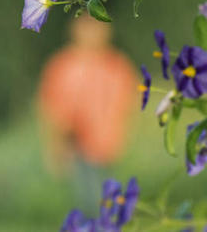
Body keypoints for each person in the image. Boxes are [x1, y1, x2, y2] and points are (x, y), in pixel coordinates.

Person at [37, 15, 137, 173]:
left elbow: (128, 105)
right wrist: (56, 148)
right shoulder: (63, 66)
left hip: (112, 150)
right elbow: (53, 111)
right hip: (79, 151)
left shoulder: (117, 65)